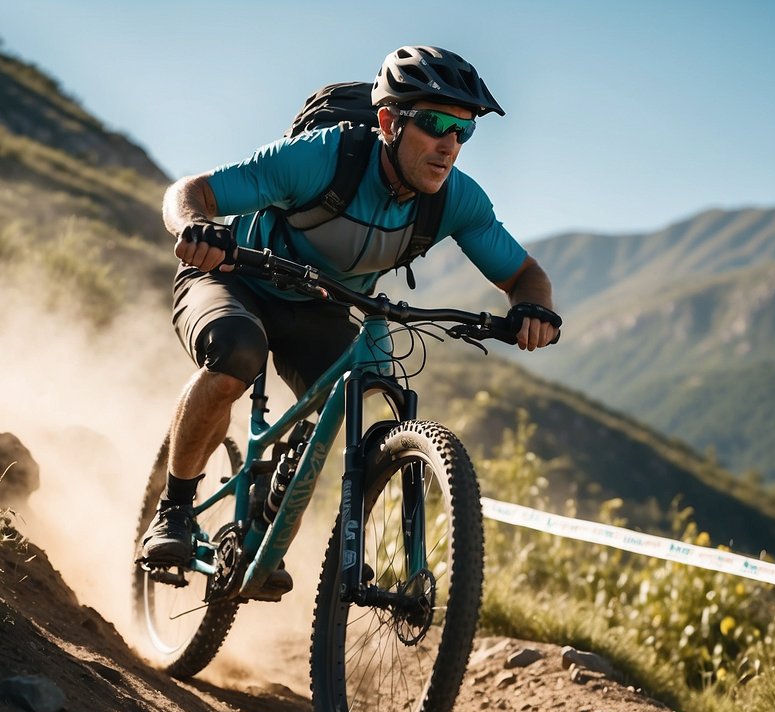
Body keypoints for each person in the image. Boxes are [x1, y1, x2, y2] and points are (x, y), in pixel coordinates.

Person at [140, 45, 561, 595]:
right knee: (237, 355)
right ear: (388, 121)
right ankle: (173, 508)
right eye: (435, 125)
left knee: (359, 385)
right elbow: (190, 193)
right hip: (233, 276)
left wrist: (534, 309)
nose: (449, 145)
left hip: (321, 304)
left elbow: (526, 275)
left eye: (463, 133)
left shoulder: (453, 199)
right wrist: (196, 228)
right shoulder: (320, 158)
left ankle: (270, 521)